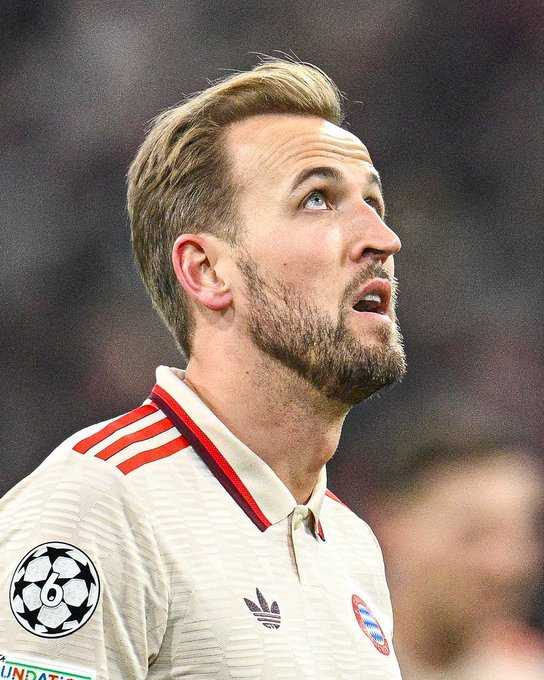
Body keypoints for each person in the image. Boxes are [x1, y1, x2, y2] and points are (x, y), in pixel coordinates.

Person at [0, 58, 407, 679]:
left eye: (373, 202)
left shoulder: (352, 548)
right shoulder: (100, 506)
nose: (382, 238)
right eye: (317, 199)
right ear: (208, 272)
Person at [366, 439, 544, 680]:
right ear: (391, 524)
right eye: (474, 534)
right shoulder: (328, 656)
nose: (506, 566)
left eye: (523, 536)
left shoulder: (531, 669)